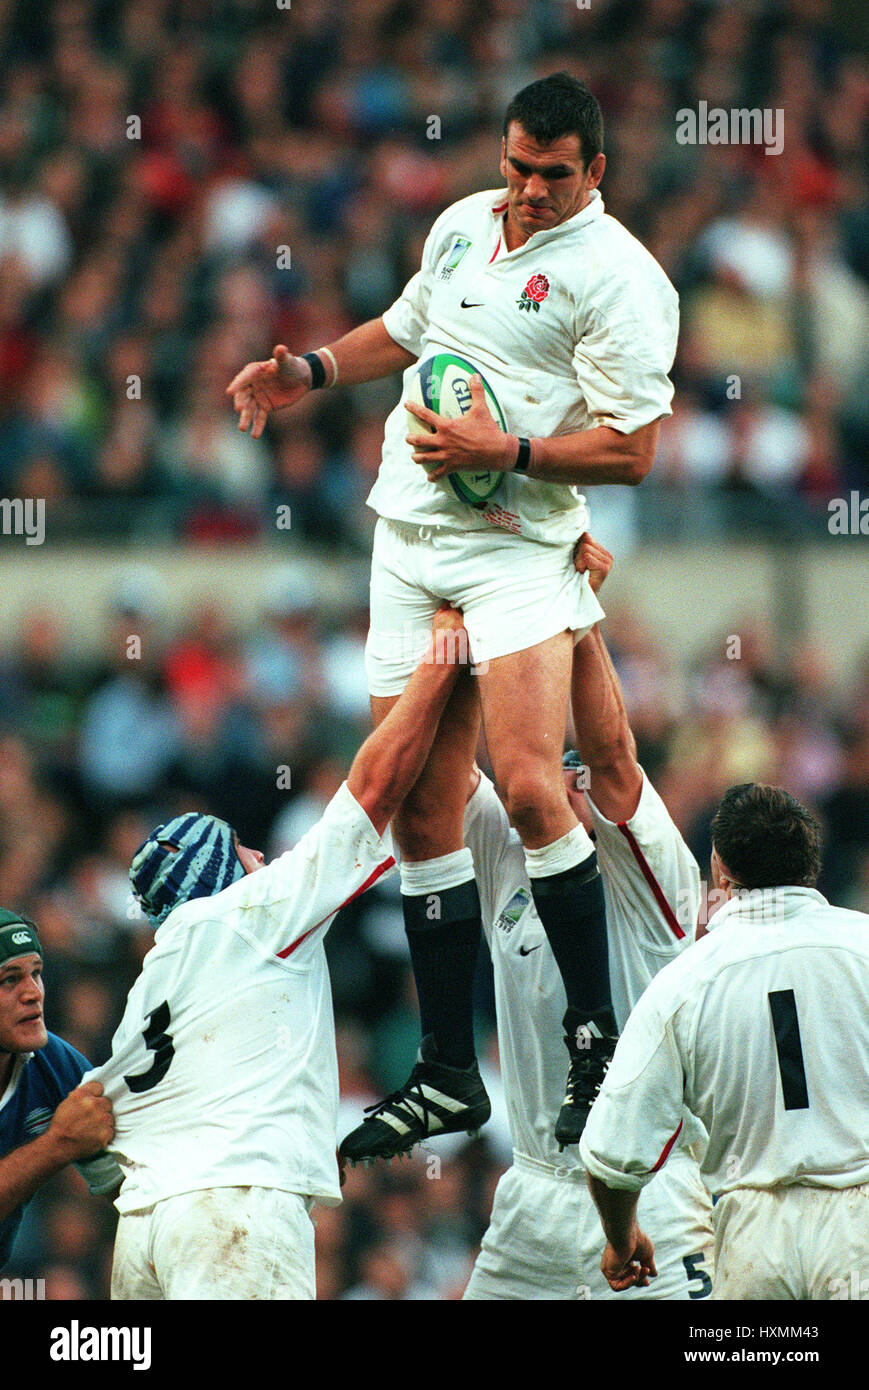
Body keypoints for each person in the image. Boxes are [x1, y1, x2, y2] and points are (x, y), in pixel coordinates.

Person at [228, 73, 679, 1153]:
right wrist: (310, 369)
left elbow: (631, 448)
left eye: (550, 174)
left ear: (595, 171)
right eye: (515, 165)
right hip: (408, 536)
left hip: (518, 548)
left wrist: (505, 453)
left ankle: (594, 1040)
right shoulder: (462, 223)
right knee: (423, 806)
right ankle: (442, 1069)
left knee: (528, 784)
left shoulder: (620, 279)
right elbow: (402, 326)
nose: (526, 189)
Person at [86, 607, 471, 1301]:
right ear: (219, 873)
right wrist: (439, 661)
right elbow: (374, 790)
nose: (261, 855)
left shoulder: (148, 986)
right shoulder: (247, 914)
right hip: (234, 1211)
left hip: (142, 1228)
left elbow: (97, 1143)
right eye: (242, 848)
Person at [453, 537, 713, 1299]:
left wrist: (577, 611)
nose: (566, 790)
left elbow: (615, 760)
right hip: (531, 1192)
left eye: (576, 783)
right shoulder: (509, 858)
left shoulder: (652, 876)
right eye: (552, 774)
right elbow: (443, 772)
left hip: (651, 1189)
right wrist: (456, 619)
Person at [580, 783, 869, 1299]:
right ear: (811, 866)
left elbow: (611, 1157)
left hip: (752, 1237)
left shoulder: (684, 982)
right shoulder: (862, 947)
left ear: (720, 869)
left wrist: (621, 1240)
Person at [0, 910, 119, 1271]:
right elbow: (65, 1140)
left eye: (36, 973)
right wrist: (59, 1144)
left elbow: (130, 1185)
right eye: (10, 980)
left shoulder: (54, 1062)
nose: (33, 993)